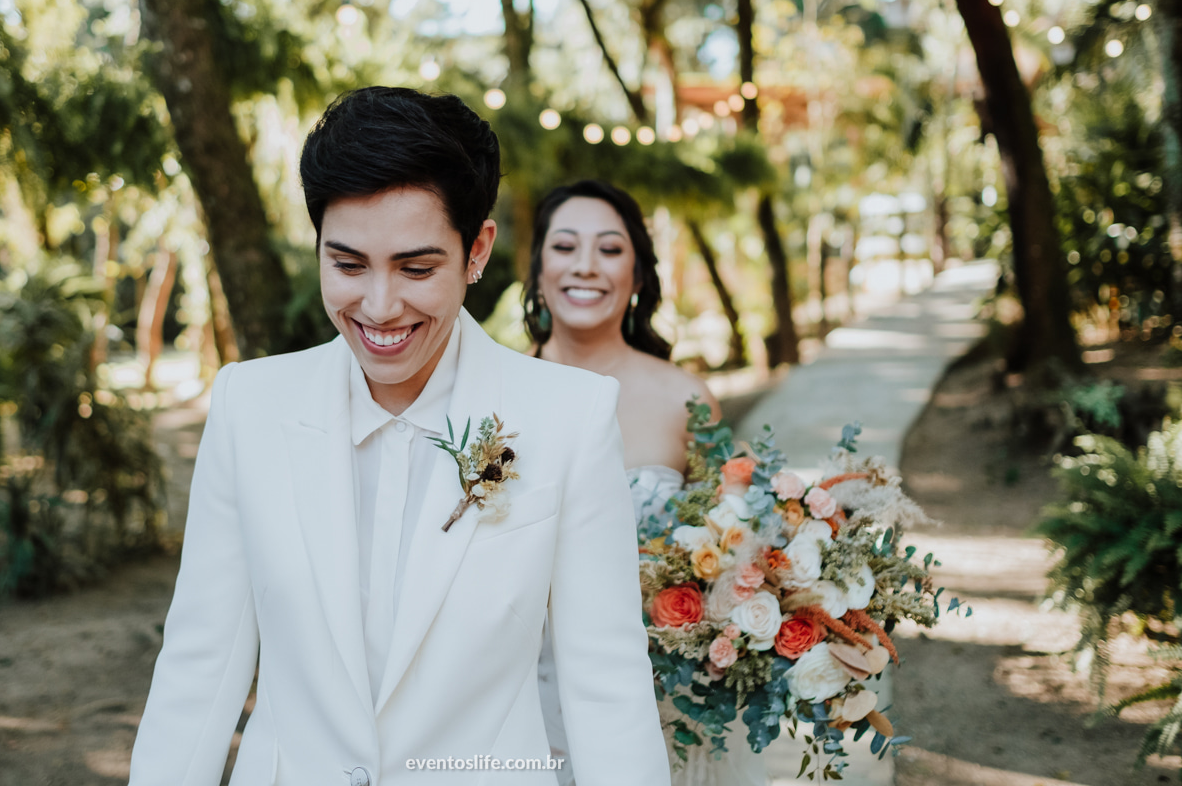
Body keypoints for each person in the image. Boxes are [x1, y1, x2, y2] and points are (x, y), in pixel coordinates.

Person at [128, 89, 669, 786]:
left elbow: (606, 683)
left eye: (417, 268)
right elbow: (200, 667)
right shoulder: (249, 406)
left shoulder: (571, 418)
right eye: (347, 265)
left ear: (477, 251)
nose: (379, 307)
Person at [526, 179, 769, 786]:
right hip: (522, 701)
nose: (586, 266)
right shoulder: (491, 399)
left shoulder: (682, 399)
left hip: (660, 698)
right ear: (536, 270)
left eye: (610, 249)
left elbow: (737, 545)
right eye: (565, 247)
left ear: (637, 276)